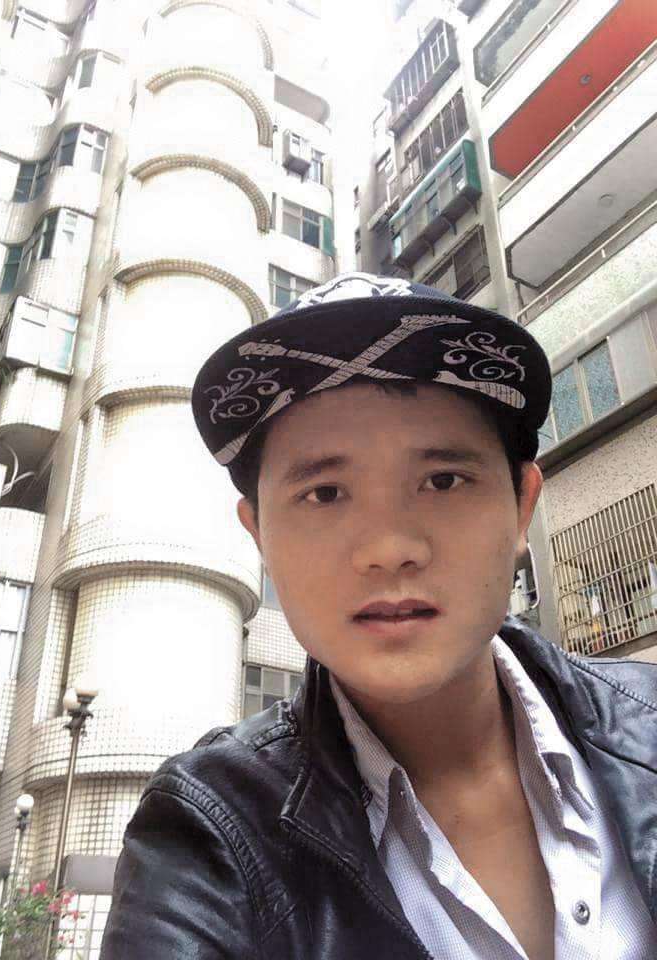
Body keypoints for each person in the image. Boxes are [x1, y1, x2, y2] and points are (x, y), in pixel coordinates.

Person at [101, 273, 657, 959]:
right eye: (324, 493)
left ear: (521, 507)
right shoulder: (208, 830)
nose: (390, 548)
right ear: (259, 536)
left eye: (443, 480)